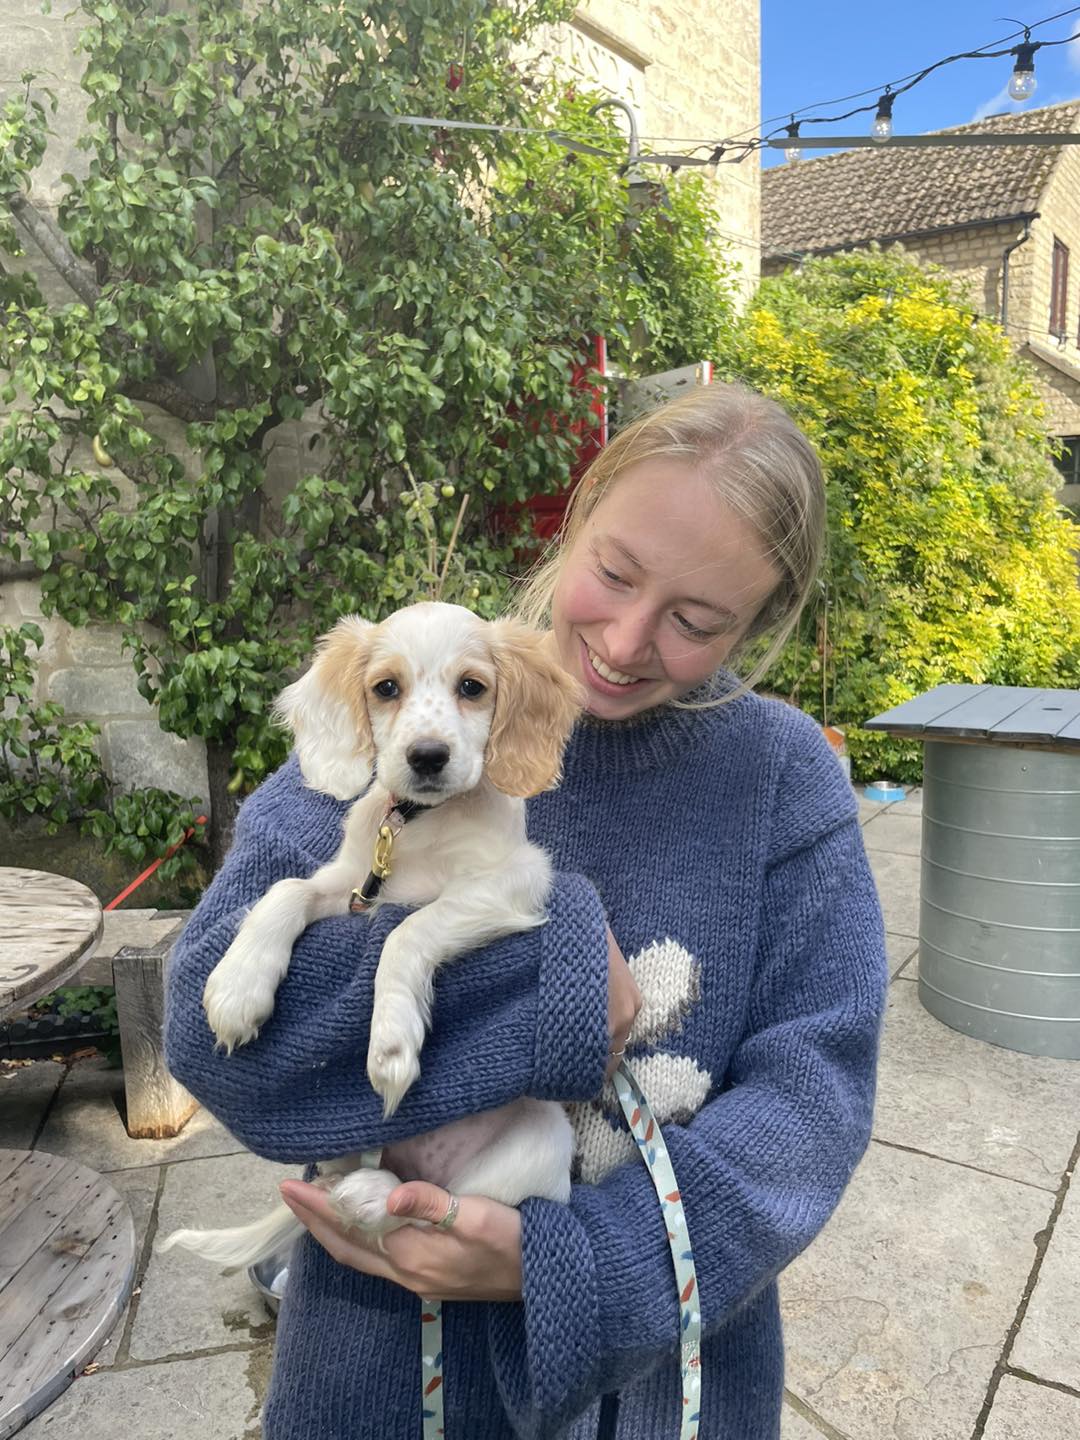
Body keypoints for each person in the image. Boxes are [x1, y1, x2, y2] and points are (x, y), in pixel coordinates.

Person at [164, 381, 888, 1440]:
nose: (629, 641)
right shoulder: (397, 715)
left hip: (659, 1383)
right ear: (578, 512)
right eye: (614, 573)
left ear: (761, 620)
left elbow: (813, 1103)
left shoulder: (784, 781)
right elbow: (206, 1028)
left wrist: (572, 1265)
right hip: (382, 1376)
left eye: (696, 622)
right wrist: (540, 984)